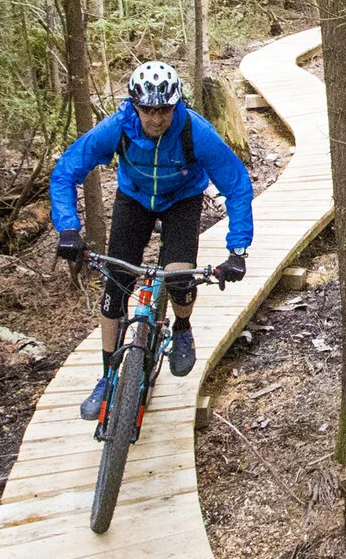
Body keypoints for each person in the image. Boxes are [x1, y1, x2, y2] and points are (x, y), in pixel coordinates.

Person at [50, 60, 253, 419]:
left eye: (164, 110)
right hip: (135, 199)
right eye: (148, 110)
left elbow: (236, 185)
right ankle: (108, 376)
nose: (156, 119)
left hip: (182, 200)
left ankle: (183, 328)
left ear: (176, 106)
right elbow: (67, 170)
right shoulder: (118, 128)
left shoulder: (195, 131)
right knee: (115, 287)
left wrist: (237, 249)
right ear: (134, 105)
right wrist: (68, 229)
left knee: (178, 276)